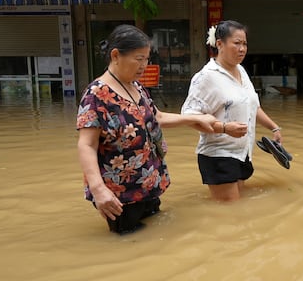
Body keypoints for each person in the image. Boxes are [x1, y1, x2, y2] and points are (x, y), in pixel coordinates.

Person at [76, 24, 216, 234]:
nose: (144, 65)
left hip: (148, 183)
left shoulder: (136, 87)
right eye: (138, 59)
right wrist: (98, 190)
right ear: (116, 55)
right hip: (119, 194)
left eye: (147, 59)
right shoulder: (95, 95)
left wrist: (195, 119)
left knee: (154, 234)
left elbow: (156, 117)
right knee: (128, 242)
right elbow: (86, 144)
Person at [181, 20, 284, 202]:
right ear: (219, 44)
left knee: (237, 212)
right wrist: (224, 128)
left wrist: (274, 127)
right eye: (236, 43)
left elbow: (253, 106)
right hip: (218, 155)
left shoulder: (241, 71)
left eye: (244, 44)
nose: (242, 48)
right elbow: (189, 117)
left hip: (242, 152)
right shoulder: (206, 77)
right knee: (230, 215)